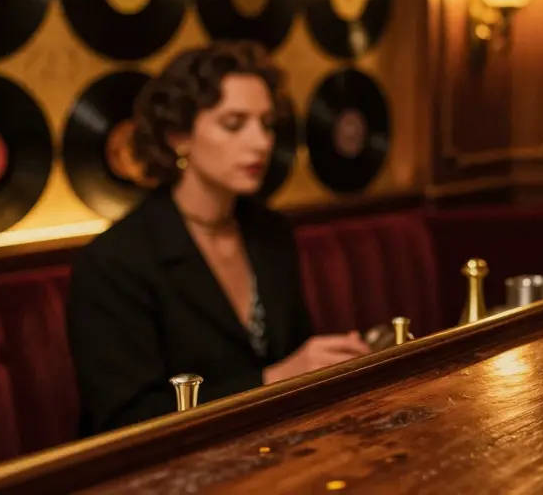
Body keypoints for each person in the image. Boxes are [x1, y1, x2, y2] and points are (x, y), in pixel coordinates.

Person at [68, 42, 370, 436]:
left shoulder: (270, 232)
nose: (261, 142)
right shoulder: (115, 262)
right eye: (234, 123)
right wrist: (275, 378)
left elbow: (295, 355)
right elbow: (127, 419)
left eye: (266, 123)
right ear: (178, 136)